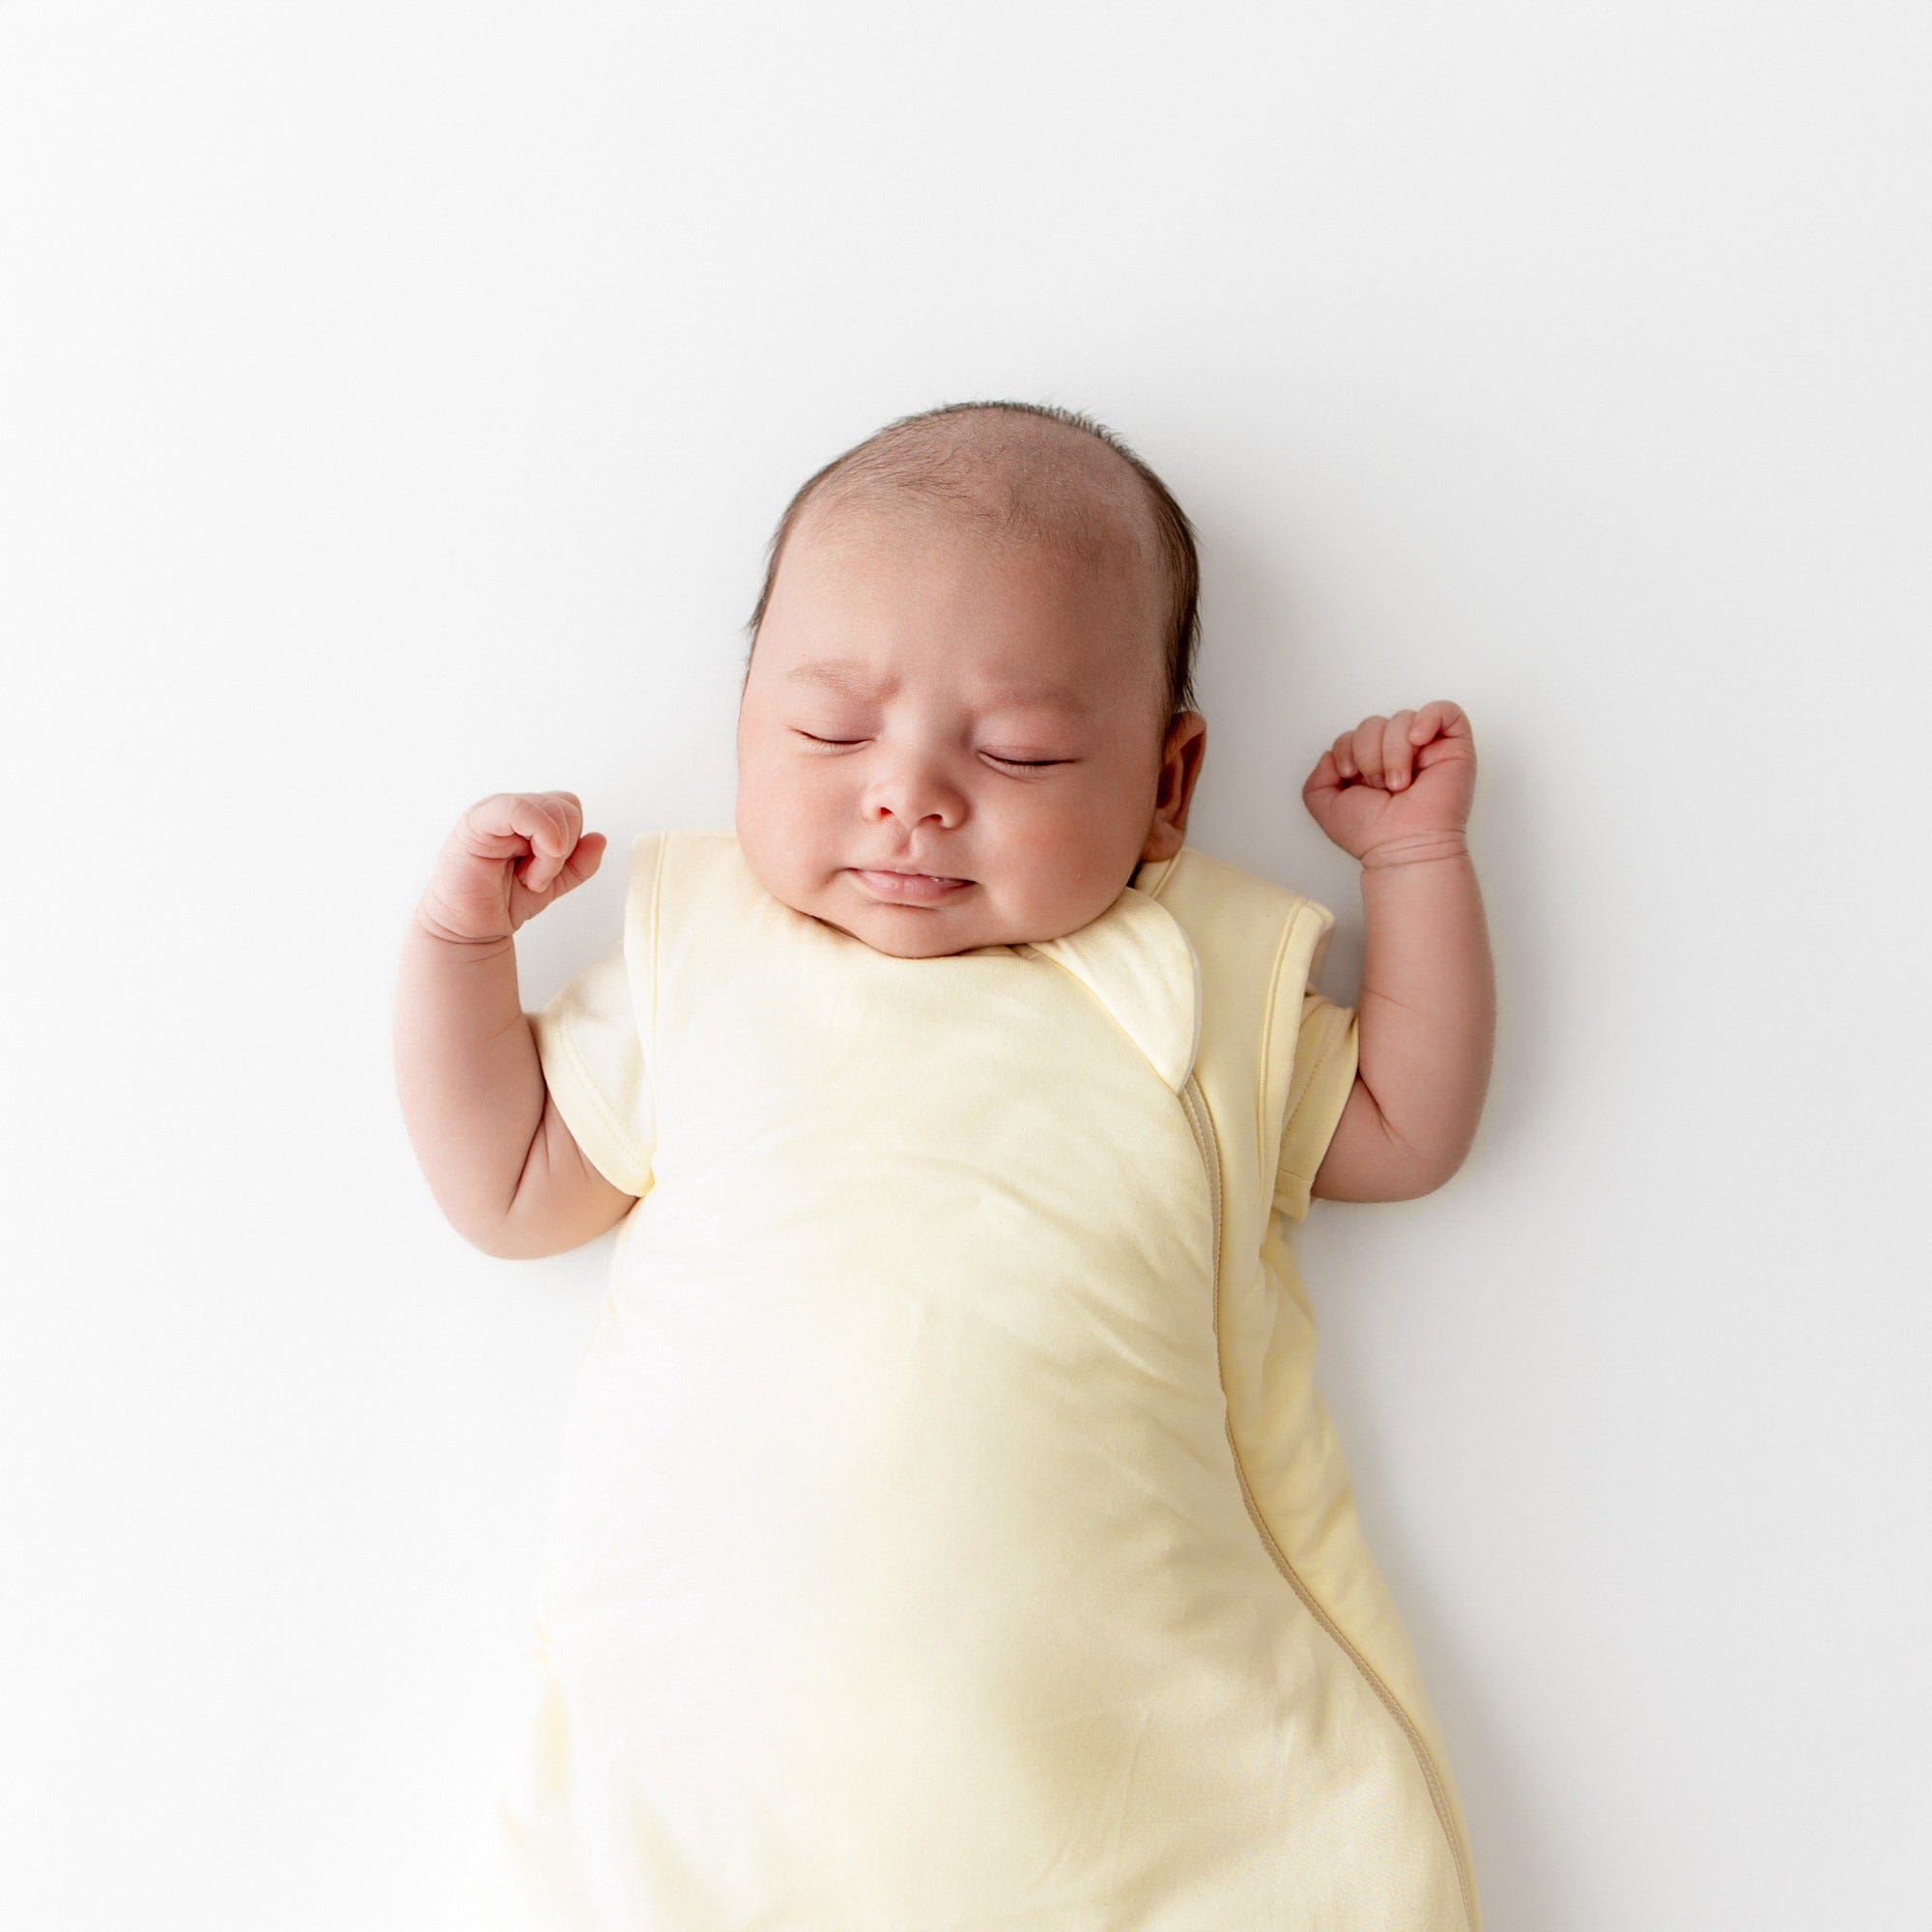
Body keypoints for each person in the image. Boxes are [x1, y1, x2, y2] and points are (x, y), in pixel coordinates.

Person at [394, 399, 1496, 1930]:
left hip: (1132, 1752)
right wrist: (459, 950)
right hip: (719, 1775)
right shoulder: (700, 944)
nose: (909, 792)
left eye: (1022, 749)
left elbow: (1402, 1122)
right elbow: (511, 1186)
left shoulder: (1197, 968)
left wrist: (1415, 867)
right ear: (743, 727)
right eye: (831, 731)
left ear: (1168, 789)